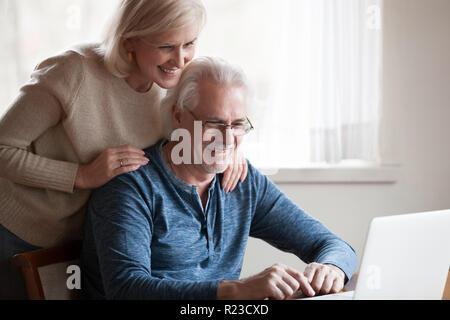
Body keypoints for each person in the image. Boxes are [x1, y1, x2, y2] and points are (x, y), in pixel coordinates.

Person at [0, 0, 247, 300]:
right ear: (131, 40)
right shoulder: (72, 72)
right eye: (166, 46)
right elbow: (3, 148)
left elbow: (200, 129)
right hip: (21, 232)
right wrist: (80, 175)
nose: (180, 60)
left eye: (189, 44)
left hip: (89, 238)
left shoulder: (172, 84)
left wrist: (230, 150)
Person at [81, 56, 358, 300]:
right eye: (213, 123)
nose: (227, 139)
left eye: (238, 124)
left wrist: (332, 267)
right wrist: (237, 290)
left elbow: (332, 245)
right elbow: (127, 289)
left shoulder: (242, 182)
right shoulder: (131, 187)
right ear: (178, 116)